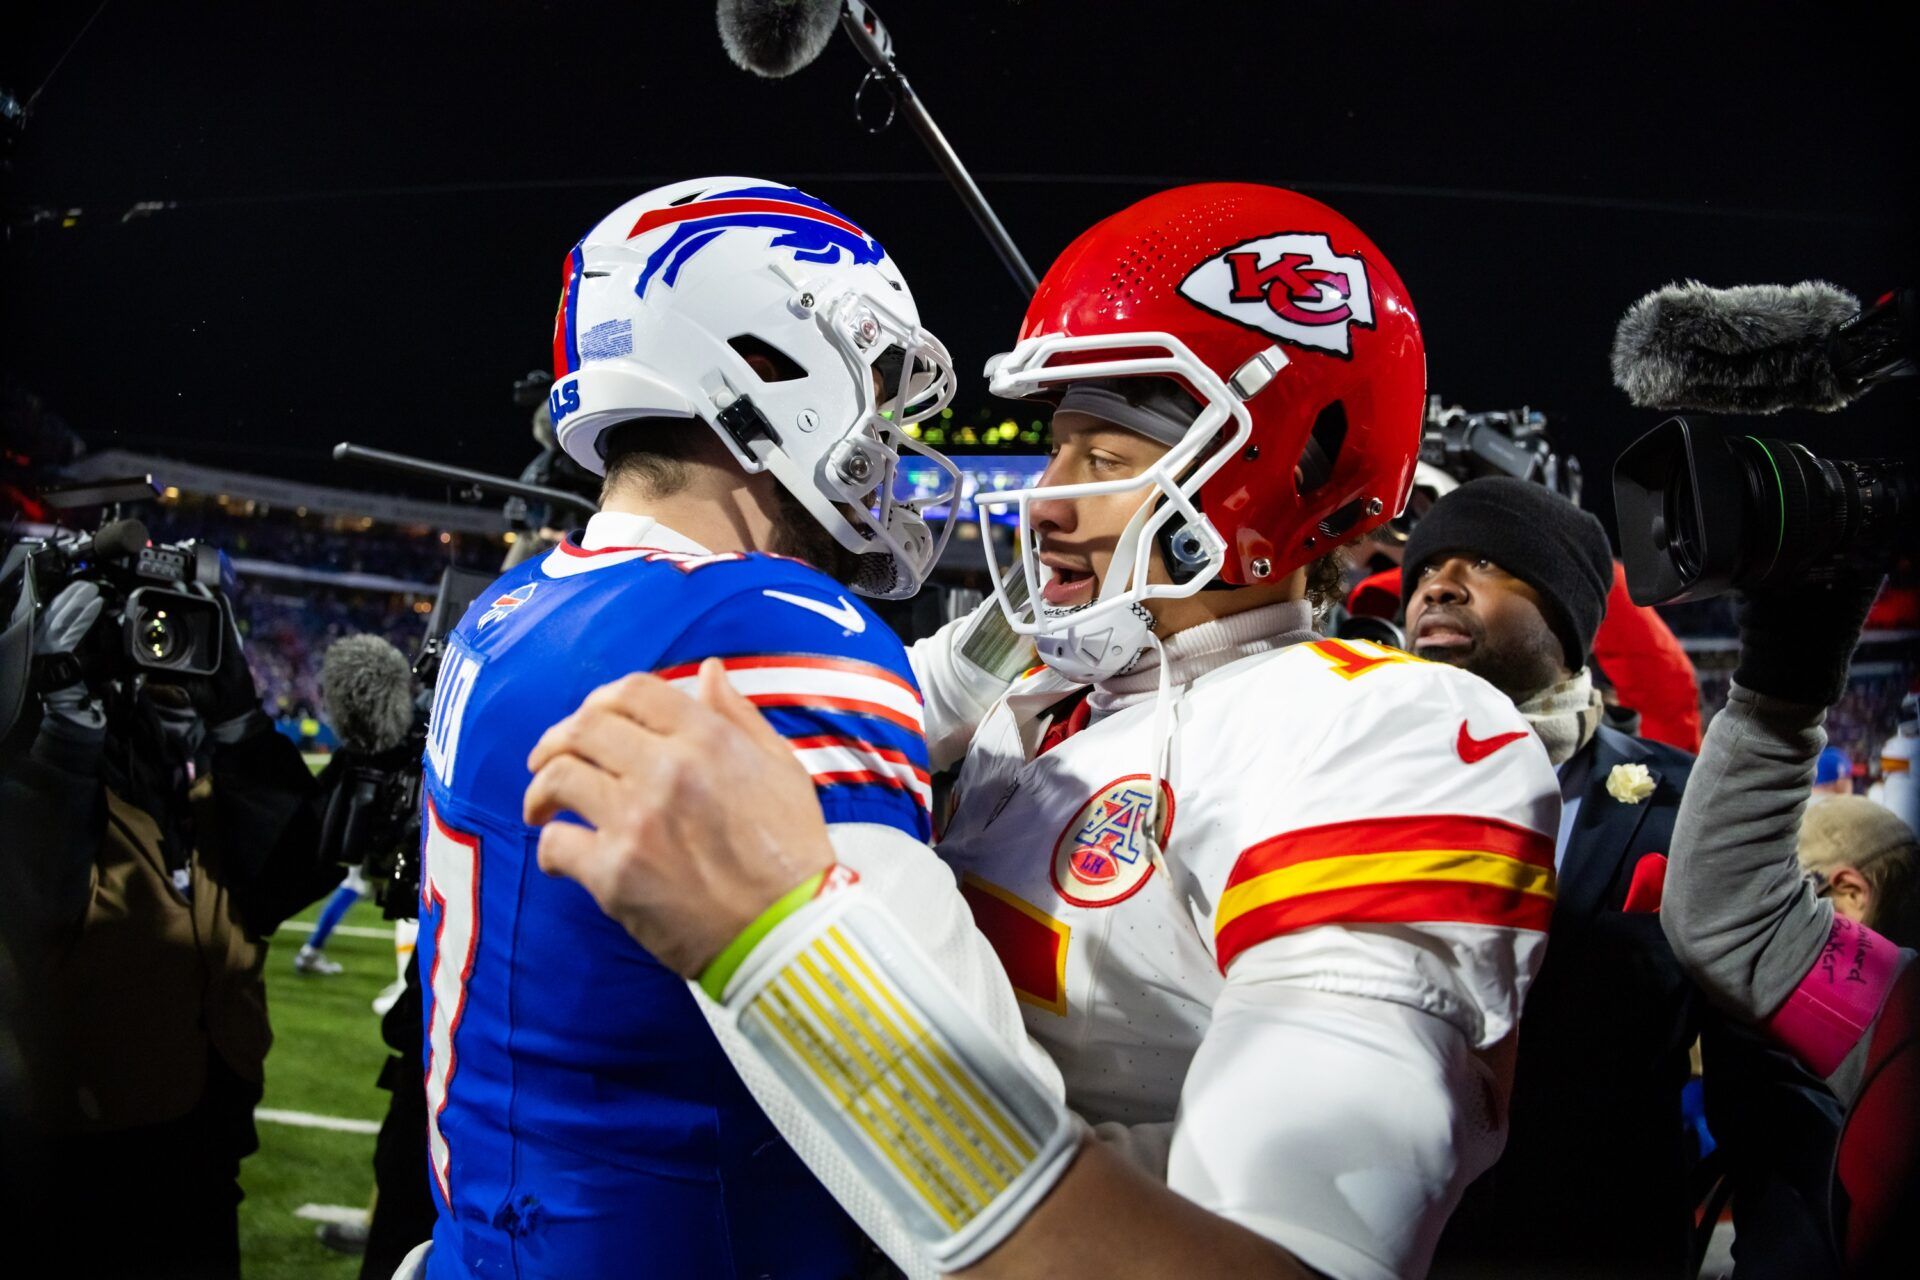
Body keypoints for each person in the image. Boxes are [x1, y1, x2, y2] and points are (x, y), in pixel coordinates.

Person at [524, 184, 1567, 1279]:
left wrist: (800, 951)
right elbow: (896, 696)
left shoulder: (1379, 737)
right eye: (1056, 448)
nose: (1045, 499)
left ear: (1280, 474)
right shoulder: (1039, 674)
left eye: (1106, 461)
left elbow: (1281, 1262)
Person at [409, 177, 1040, 1278]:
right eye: (875, 391)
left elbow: (827, 708)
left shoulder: (519, 610)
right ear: (769, 371)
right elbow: (969, 1122)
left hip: (497, 1238)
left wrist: (1013, 631)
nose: (887, 437)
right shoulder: (781, 625)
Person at [1397, 476, 1838, 1276]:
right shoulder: (1344, 787)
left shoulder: (1682, 800)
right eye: (1426, 570)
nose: (1439, 586)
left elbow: (1769, 1090)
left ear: (1566, 614)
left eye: (1487, 562)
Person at [1, 571, 342, 1279]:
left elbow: (292, 874)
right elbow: (36, 907)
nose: (158, 655)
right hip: (72, 1171)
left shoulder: (196, 789)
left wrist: (242, 721)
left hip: (203, 1153)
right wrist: (60, 730)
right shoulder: (49, 778)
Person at [1662, 578, 1919, 1275]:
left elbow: (1730, 909)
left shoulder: (1891, 1027)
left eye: (1794, 882)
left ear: (1849, 899)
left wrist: (1791, 655)